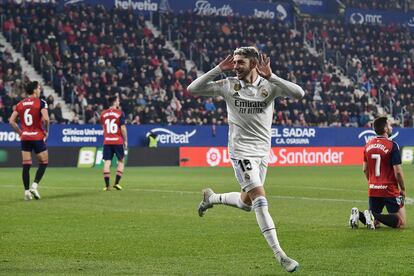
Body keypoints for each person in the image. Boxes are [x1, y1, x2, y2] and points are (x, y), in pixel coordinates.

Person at [188, 47, 305, 273]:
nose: (235, 66)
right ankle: (281, 256)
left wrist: (272, 76)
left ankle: (211, 198)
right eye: (234, 62)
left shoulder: (269, 86)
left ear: (253, 64)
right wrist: (218, 69)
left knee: (246, 203)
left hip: (262, 152)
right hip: (241, 151)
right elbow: (193, 89)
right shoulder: (228, 85)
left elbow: (299, 93)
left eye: (240, 62)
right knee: (260, 200)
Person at [349, 116, 407, 229]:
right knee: (401, 222)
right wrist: (403, 189)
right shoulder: (392, 145)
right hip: (389, 189)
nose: (391, 127)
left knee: (375, 223)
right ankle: (372, 215)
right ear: (385, 129)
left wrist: (372, 182)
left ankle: (358, 215)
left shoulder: (368, 145)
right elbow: (398, 172)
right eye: (389, 125)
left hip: (373, 189)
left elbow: (364, 169)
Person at [9, 81, 49, 200]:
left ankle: (26, 191)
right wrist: (46, 131)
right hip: (37, 136)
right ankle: (34, 186)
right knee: (44, 162)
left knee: (26, 165)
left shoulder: (20, 104)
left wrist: (21, 133)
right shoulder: (41, 102)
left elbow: (11, 121)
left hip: (25, 137)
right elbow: (46, 119)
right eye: (39, 88)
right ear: (35, 90)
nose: (40, 89)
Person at [100, 96, 128, 191]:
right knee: (121, 161)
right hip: (117, 140)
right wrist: (125, 140)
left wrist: (107, 136)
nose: (119, 102)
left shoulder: (103, 114)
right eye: (118, 100)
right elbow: (123, 128)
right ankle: (116, 183)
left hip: (107, 141)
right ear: (115, 102)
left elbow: (103, 127)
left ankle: (107, 186)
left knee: (107, 162)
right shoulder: (120, 113)